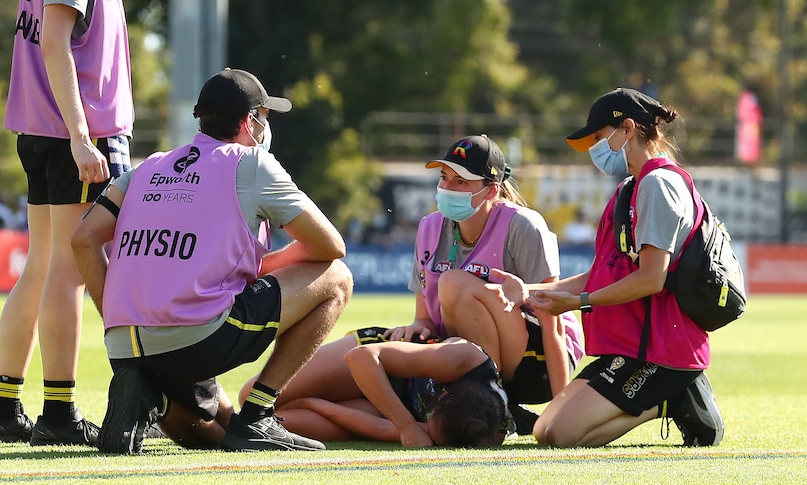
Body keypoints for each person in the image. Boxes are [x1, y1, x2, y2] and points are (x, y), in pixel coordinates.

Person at [71, 68, 353, 454]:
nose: (266, 127)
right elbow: (330, 247)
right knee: (337, 279)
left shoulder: (147, 167)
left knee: (223, 427)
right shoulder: (252, 164)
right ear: (248, 121)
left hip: (125, 347)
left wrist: (115, 318)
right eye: (264, 117)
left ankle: (156, 401)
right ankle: (260, 414)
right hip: (195, 334)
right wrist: (268, 268)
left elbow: (83, 240)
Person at [497, 87, 724, 448]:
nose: (595, 150)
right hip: (630, 346)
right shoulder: (628, 189)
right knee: (545, 431)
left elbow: (652, 279)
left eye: (600, 137)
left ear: (628, 129)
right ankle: (662, 399)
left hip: (662, 349)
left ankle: (671, 397)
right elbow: (599, 274)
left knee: (559, 435)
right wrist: (530, 292)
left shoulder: (659, 184)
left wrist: (577, 303)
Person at [0, 0, 133, 446]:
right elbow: (54, 43)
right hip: (72, 135)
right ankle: (59, 414)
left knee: (42, 268)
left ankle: (3, 410)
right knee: (68, 272)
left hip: (44, 130)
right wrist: (82, 139)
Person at [382, 135, 585, 430]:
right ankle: (498, 406)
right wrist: (416, 328)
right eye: (444, 177)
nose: (447, 188)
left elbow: (552, 323)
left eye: (461, 182)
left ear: (491, 191)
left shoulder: (523, 225)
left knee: (453, 283)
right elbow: (425, 317)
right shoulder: (429, 227)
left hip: (537, 362)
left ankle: (497, 406)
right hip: (475, 357)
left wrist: (562, 411)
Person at [246, 328, 513, 448]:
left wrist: (313, 404)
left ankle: (212, 427)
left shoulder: (471, 432)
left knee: (273, 423)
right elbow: (361, 358)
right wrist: (408, 426)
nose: (427, 431)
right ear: (443, 395)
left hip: (383, 410)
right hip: (374, 361)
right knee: (252, 395)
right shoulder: (465, 360)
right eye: (430, 422)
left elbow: (383, 428)